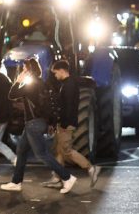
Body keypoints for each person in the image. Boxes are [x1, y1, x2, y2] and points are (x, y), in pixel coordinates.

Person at [0, 58, 78, 194]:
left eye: (24, 69)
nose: (23, 71)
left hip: (33, 124)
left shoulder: (31, 85)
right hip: (38, 123)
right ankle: (16, 182)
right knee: (21, 151)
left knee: (42, 154)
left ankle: (67, 177)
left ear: (29, 71)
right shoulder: (42, 83)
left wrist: (18, 80)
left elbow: (11, 95)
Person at [47, 60, 101, 188]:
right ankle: (57, 177)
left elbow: (69, 106)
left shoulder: (69, 85)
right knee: (58, 150)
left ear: (61, 70)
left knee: (66, 150)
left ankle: (91, 168)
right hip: (64, 122)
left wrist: (63, 124)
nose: (55, 76)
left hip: (66, 123)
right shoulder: (67, 84)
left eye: (55, 73)